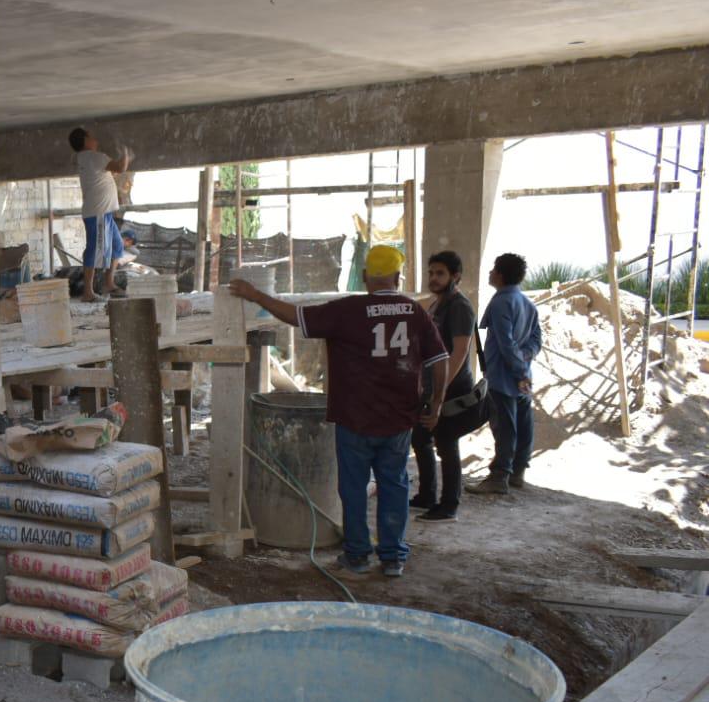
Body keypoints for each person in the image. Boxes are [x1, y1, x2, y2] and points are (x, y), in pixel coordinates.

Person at [230, 245, 449, 578]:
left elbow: (294, 316)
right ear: (398, 277)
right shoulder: (413, 312)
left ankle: (357, 557)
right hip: (398, 420)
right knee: (395, 485)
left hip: (354, 417)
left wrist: (254, 294)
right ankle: (392, 559)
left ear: (364, 277)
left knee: (353, 487)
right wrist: (434, 405)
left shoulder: (348, 311)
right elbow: (439, 360)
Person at [410, 251, 478, 521]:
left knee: (446, 443)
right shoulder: (438, 304)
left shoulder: (460, 306)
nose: (433, 278)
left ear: (455, 276)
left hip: (452, 387)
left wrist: (440, 391)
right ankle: (427, 494)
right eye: (431, 273)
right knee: (421, 437)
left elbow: (459, 351)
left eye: (440, 273)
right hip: (434, 385)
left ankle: (449, 504)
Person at [469, 252, 542, 495]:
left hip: (503, 375)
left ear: (499, 274)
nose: (490, 273)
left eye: (493, 269)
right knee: (523, 423)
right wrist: (525, 362)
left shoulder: (501, 302)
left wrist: (518, 368)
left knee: (505, 426)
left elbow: (505, 342)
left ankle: (499, 476)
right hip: (522, 376)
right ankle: (518, 471)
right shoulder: (528, 304)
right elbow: (535, 340)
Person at [68, 127, 132, 302]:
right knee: (94, 250)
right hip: (98, 214)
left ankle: (108, 284)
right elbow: (120, 167)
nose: (95, 139)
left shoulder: (84, 158)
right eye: (91, 136)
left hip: (103, 213)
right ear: (85, 141)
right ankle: (88, 293)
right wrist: (126, 151)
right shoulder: (95, 157)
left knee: (117, 247)